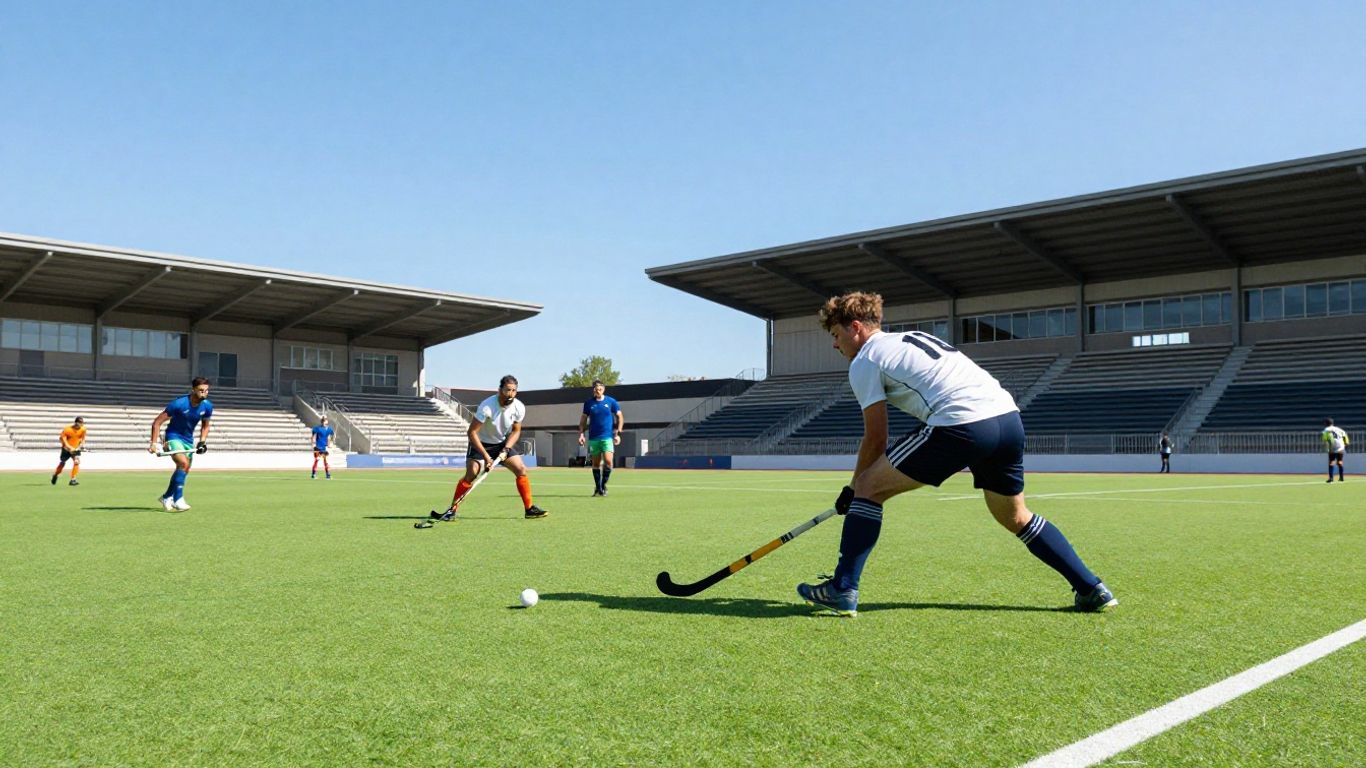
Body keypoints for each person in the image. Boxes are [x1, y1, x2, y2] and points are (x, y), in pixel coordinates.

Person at [797, 292, 1116, 617]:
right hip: (1008, 420)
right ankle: (1091, 588)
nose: (835, 345)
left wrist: (854, 488)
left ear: (855, 327)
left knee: (869, 487)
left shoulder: (865, 359)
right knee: (1015, 516)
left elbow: (876, 438)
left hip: (961, 424)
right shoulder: (912, 338)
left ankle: (842, 588)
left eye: (835, 335)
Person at [432, 375, 546, 521]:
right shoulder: (487, 406)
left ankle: (529, 509)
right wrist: (487, 458)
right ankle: (452, 511)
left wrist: (506, 449)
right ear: (500, 390)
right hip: (480, 443)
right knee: (472, 473)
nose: (510, 394)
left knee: (521, 469)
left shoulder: (519, 407)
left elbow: (516, 431)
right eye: (507, 390)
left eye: (513, 391)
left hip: (501, 444)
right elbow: (472, 432)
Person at [148, 377, 213, 512]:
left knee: (184, 469)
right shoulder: (178, 404)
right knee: (183, 463)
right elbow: (157, 423)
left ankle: (166, 497)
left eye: (206, 391)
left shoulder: (207, 406)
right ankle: (178, 499)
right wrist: (153, 443)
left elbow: (205, 426)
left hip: (188, 440)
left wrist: (202, 441)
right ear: (193, 389)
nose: (204, 393)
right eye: (201, 390)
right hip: (173, 437)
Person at [578, 379, 623, 496]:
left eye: (600, 389)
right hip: (594, 438)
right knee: (596, 464)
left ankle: (603, 485)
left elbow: (620, 417)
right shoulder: (588, 403)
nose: (598, 391)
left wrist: (618, 434)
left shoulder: (611, 402)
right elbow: (583, 420)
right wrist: (581, 434)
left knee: (608, 462)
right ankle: (598, 488)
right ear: (593, 390)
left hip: (607, 437)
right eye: (596, 389)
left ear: (603, 389)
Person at [52, 416, 87, 486]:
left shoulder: (83, 429)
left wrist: (81, 446)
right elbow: (62, 440)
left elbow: (83, 439)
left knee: (77, 462)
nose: (82, 424)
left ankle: (73, 480)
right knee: (62, 463)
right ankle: (55, 475)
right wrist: (69, 448)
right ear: (76, 422)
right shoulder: (67, 429)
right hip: (66, 449)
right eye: (80, 423)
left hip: (75, 448)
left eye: (82, 423)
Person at [1321, 417, 1349, 483]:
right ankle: (1341, 478)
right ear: (1332, 423)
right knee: (1340, 462)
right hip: (1341, 446)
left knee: (1331, 462)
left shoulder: (1326, 430)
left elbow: (1324, 439)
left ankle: (1331, 478)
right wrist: (1346, 443)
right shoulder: (1339, 429)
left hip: (1332, 446)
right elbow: (1345, 436)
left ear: (1326, 423)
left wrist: (1326, 447)